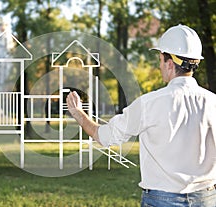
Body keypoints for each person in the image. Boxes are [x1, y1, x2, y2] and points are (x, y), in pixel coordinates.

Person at [66, 24, 216, 207]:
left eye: (160, 59)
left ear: (169, 63)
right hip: (206, 199)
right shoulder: (212, 102)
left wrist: (78, 113)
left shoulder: (149, 104)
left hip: (161, 200)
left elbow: (104, 137)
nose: (159, 65)